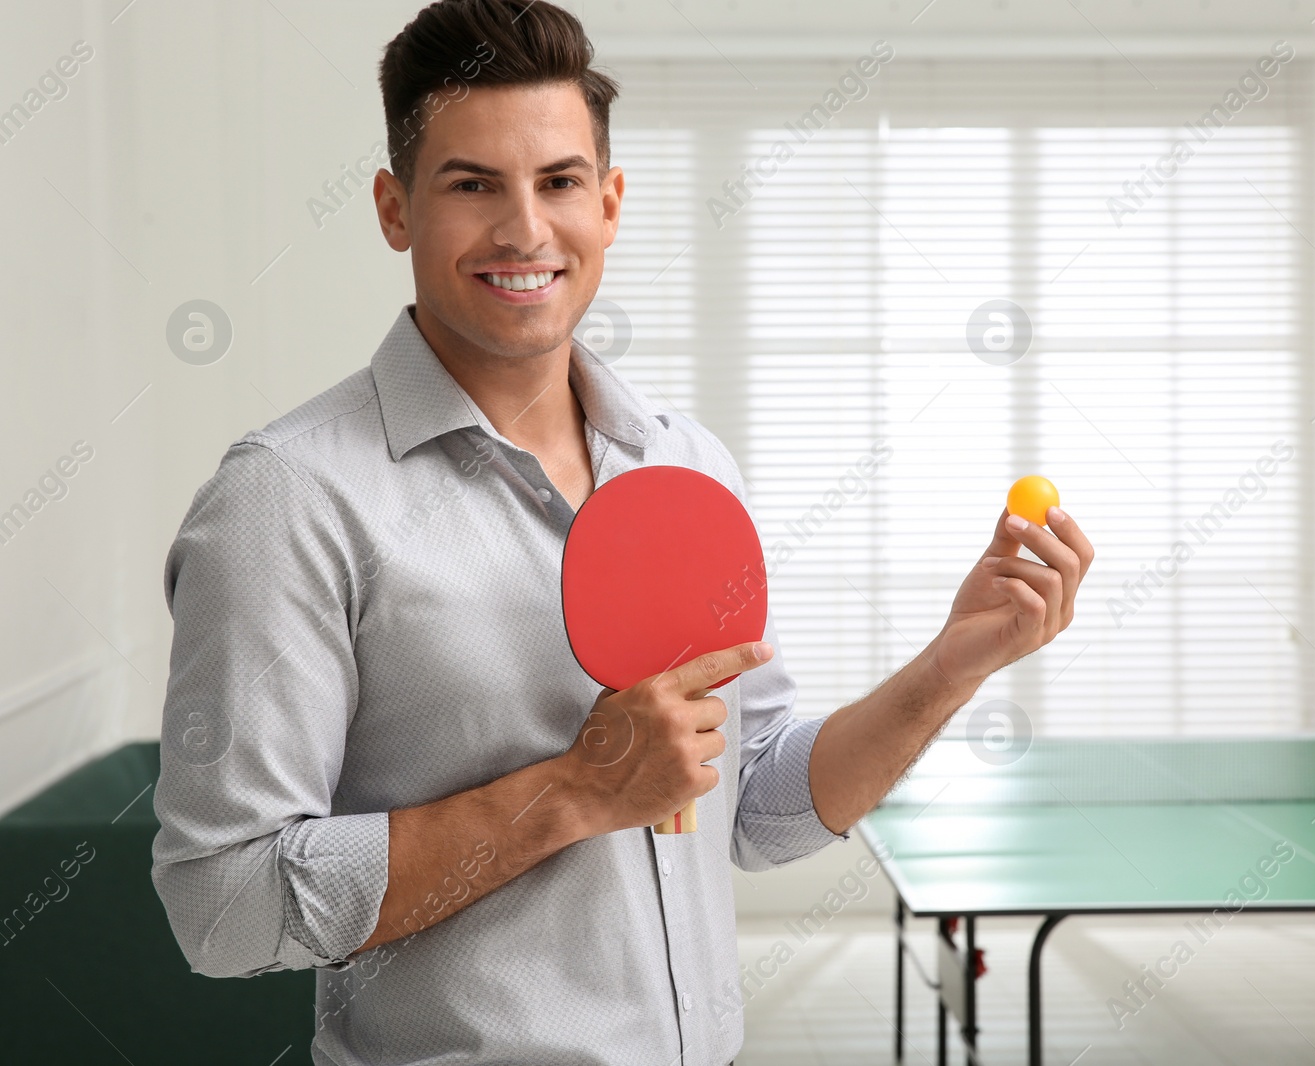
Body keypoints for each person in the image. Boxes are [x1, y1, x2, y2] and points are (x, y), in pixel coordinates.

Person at [150, 2, 1092, 1063]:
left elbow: (757, 810)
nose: (523, 230)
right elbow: (223, 906)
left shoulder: (684, 462)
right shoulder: (288, 498)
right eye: (471, 184)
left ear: (609, 203)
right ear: (392, 208)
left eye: (557, 182)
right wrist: (578, 789)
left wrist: (957, 660)